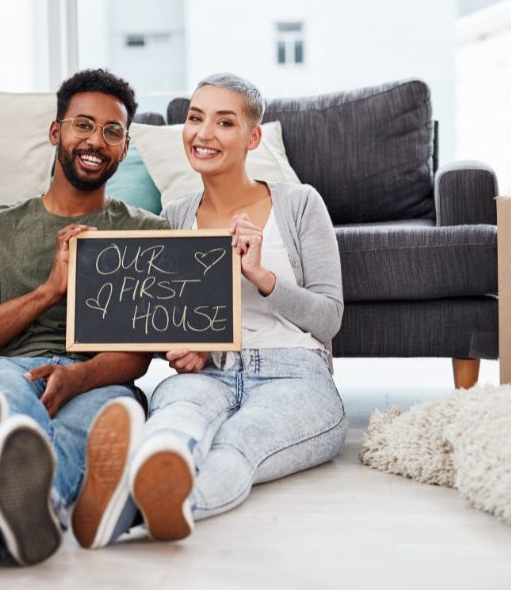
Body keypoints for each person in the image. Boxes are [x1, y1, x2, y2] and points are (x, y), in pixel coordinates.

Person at [0, 69, 168, 581]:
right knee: (0, 398)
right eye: (83, 126)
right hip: (12, 369)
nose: (96, 141)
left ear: (124, 147)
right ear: (56, 133)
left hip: (99, 378)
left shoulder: (146, 231)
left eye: (112, 132)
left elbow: (140, 354)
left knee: (105, 421)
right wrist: (50, 289)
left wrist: (78, 377)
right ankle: (29, 508)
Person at [73, 73, 347, 549]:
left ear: (253, 137)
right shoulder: (176, 215)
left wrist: (262, 278)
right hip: (208, 374)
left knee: (235, 446)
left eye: (224, 122)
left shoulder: (300, 204)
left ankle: (135, 510)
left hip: (294, 373)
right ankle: (129, 490)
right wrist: (182, 346)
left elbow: (329, 319)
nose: (203, 134)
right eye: (196, 118)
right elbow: (164, 319)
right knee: (173, 426)